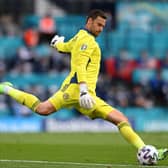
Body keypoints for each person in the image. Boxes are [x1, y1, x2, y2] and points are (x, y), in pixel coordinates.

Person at [0, 9, 167, 161]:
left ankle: (7, 89)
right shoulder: (87, 40)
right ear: (89, 21)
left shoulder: (80, 37)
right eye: (99, 24)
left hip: (78, 91)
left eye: (103, 26)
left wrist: (57, 43)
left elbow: (66, 47)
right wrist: (83, 91)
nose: (101, 29)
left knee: (42, 109)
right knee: (121, 120)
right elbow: (80, 65)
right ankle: (146, 150)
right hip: (79, 91)